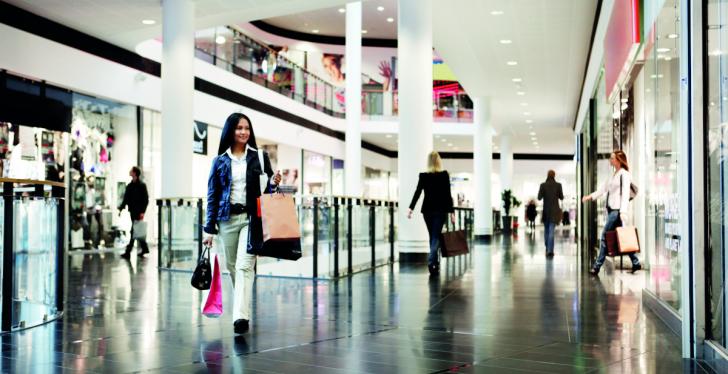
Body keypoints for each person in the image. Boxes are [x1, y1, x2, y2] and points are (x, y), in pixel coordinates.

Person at [202, 113, 282, 335]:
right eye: (239, 128)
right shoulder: (219, 161)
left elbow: (268, 192)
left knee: (244, 266)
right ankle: (243, 304)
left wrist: (274, 184)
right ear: (230, 130)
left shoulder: (260, 157)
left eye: (247, 128)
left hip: (251, 219)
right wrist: (209, 229)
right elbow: (212, 195)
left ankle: (240, 317)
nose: (244, 132)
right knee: (231, 267)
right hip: (226, 220)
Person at [582, 150, 641, 275]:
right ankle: (636, 262)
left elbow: (625, 194)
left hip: (617, 211)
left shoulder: (624, 174)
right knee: (622, 237)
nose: (610, 159)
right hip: (611, 210)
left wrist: (623, 212)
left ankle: (597, 267)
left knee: (604, 236)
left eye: (612, 158)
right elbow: (602, 190)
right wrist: (589, 197)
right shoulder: (613, 175)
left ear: (619, 160)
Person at [407, 151, 455, 275]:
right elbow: (447, 195)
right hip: (440, 210)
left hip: (427, 210)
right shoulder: (444, 175)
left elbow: (417, 193)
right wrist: (452, 212)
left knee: (433, 236)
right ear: (439, 161)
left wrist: (411, 208)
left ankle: (434, 263)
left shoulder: (424, 176)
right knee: (435, 236)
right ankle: (431, 261)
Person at [118, 166, 149, 258]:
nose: (129, 172)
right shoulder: (130, 186)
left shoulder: (142, 186)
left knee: (134, 231)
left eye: (131, 171)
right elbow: (126, 199)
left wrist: (142, 212)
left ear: (135, 173)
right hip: (132, 211)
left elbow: (145, 200)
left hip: (139, 212)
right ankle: (144, 248)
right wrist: (121, 208)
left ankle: (128, 251)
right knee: (136, 230)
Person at [538, 170, 564, 257]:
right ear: (554, 175)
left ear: (547, 175)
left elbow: (539, 197)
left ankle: (547, 248)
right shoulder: (558, 185)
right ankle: (550, 250)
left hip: (546, 211)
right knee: (551, 231)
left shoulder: (543, 185)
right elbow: (561, 197)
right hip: (554, 211)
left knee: (546, 230)